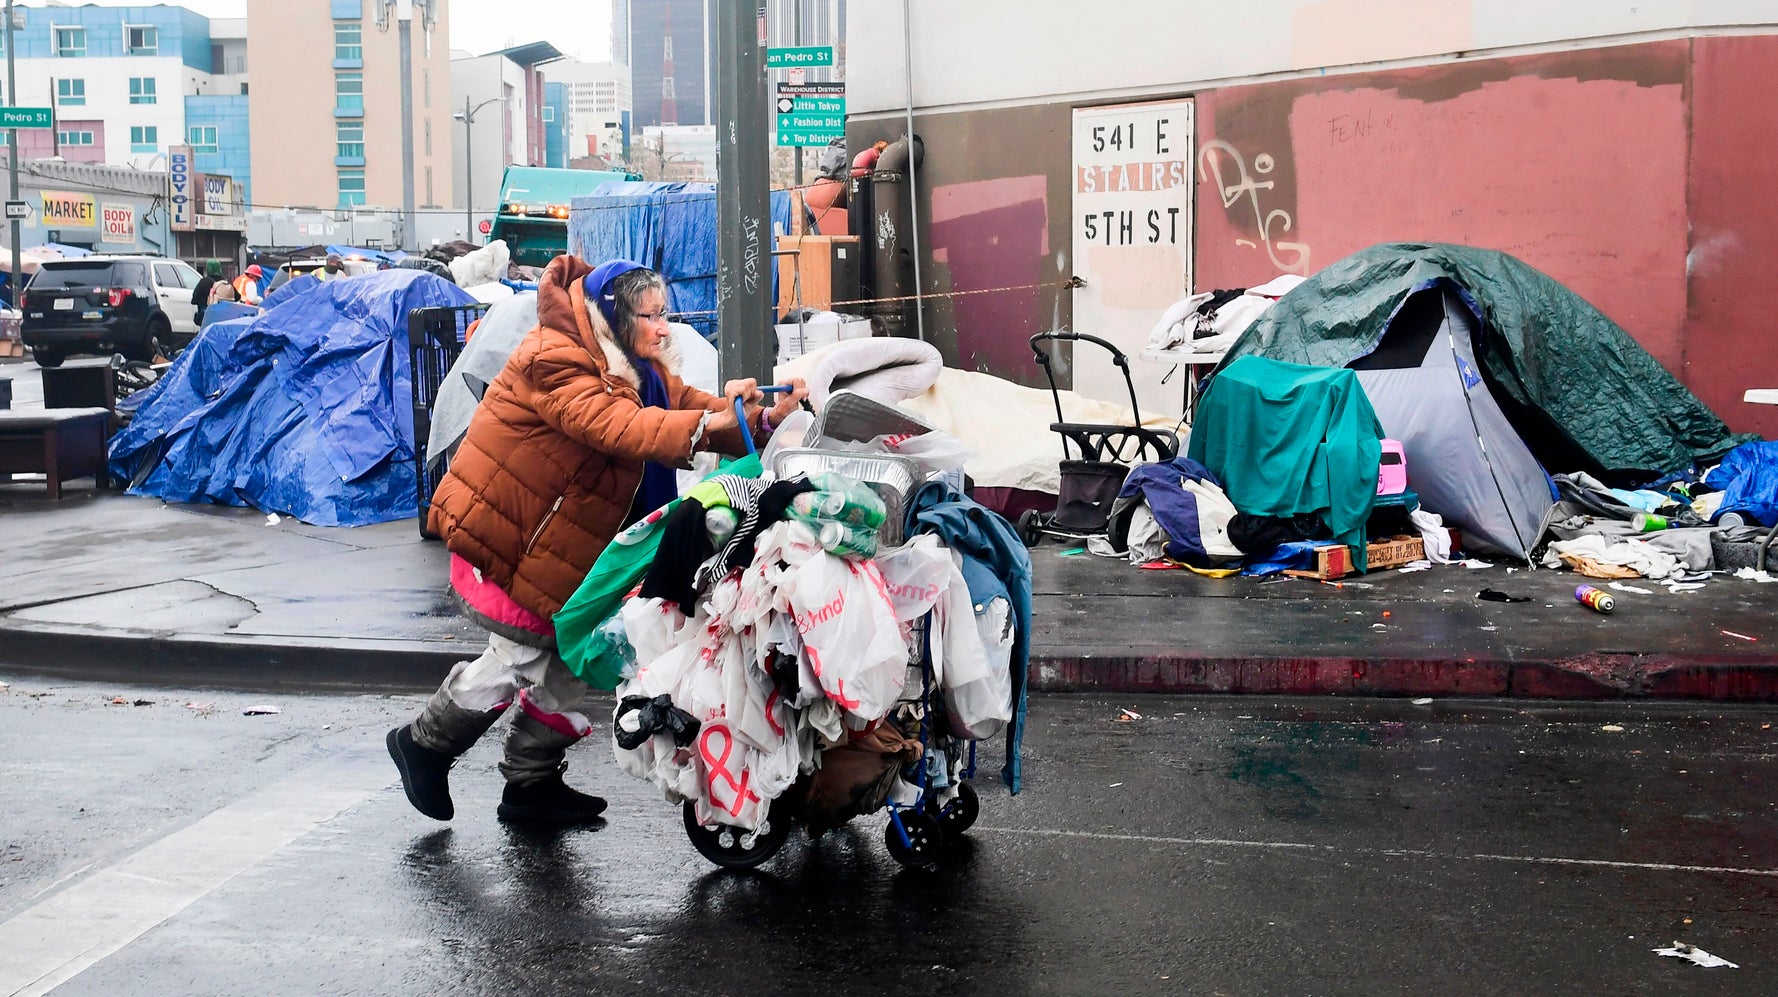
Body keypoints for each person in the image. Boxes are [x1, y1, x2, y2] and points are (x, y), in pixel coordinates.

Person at [386, 255, 807, 825]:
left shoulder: (639, 365)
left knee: (575, 660)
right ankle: (425, 744)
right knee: (521, 657)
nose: (664, 327)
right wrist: (710, 426)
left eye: (665, 314)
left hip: (567, 545)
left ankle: (529, 785)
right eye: (651, 316)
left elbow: (681, 404)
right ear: (615, 312)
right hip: (516, 535)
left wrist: (754, 418)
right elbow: (618, 426)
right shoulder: (555, 356)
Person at [191, 260, 222, 325]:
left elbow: (194, 299)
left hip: (206, 318)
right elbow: (237, 297)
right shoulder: (225, 283)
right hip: (222, 317)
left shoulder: (204, 282)